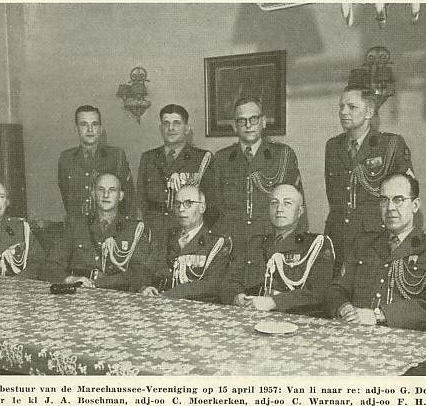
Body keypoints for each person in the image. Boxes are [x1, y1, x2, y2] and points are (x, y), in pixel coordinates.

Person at [326, 174, 426, 332]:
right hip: (356, 335)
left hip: (407, 340)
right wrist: (344, 307)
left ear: (415, 205)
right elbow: (336, 289)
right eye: (384, 200)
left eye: (398, 200)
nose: (390, 207)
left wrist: (380, 315)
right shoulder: (363, 244)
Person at [325, 86, 414, 275]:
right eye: (341, 106)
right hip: (338, 239)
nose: (343, 112)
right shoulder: (333, 146)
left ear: (369, 112)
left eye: (352, 107)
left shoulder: (390, 145)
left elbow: (406, 197)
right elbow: (334, 198)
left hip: (375, 240)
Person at [222, 184, 334, 315]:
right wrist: (237, 296)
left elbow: (318, 293)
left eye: (287, 203)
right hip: (251, 315)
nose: (279, 209)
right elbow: (229, 282)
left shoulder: (316, 245)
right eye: (274, 203)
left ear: (300, 211)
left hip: (295, 318)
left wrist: (274, 302)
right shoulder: (255, 243)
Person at [212, 97, 304, 254]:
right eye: (242, 120)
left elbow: (297, 207)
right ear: (234, 126)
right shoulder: (222, 158)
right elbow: (215, 209)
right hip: (232, 246)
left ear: (263, 122)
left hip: (269, 245)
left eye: (253, 119)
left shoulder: (283, 155)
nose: (248, 125)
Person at [44, 173, 151, 291]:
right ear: (93, 194)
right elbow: (51, 265)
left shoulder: (133, 230)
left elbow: (140, 272)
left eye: (112, 190)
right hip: (79, 291)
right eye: (101, 189)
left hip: (115, 293)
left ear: (120, 196)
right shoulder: (76, 225)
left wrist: (100, 283)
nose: (106, 195)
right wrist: (70, 279)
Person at [137, 104, 217, 238]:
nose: (171, 128)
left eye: (177, 123)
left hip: (186, 230)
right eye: (166, 123)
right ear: (160, 128)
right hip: (154, 231)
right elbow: (141, 200)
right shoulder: (148, 158)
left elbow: (211, 203)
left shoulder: (202, 159)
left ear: (187, 129)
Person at [141, 185, 231, 302]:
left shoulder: (216, 242)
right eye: (178, 204)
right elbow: (147, 270)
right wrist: (146, 287)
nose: (181, 209)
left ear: (202, 207)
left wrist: (169, 295)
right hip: (160, 300)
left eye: (188, 203)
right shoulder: (167, 236)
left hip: (197, 306)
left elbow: (211, 285)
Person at [58, 105, 135, 218]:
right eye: (84, 124)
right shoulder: (66, 158)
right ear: (76, 128)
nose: (90, 130)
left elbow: (128, 197)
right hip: (77, 225)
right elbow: (66, 197)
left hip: (108, 225)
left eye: (94, 124)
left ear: (100, 128)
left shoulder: (116, 156)